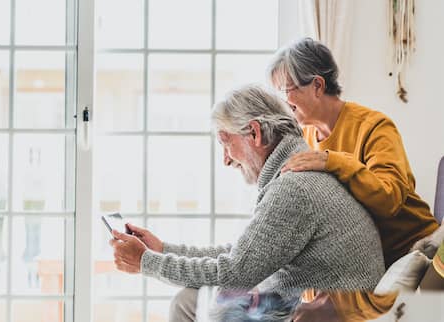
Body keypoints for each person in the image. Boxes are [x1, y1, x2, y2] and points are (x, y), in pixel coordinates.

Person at [110, 84, 385, 322]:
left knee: (193, 303)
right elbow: (244, 255)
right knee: (189, 301)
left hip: (326, 314)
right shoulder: (294, 174)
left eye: (225, 143)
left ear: (254, 134)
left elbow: (233, 274)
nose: (226, 159)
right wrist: (162, 249)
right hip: (311, 306)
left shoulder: (293, 187)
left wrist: (146, 262)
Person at [267, 37, 440, 321]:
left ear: (317, 86)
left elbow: (389, 199)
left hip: (406, 252)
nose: (283, 103)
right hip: (352, 265)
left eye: (286, 90)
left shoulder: (374, 127)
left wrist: (331, 160)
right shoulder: (305, 138)